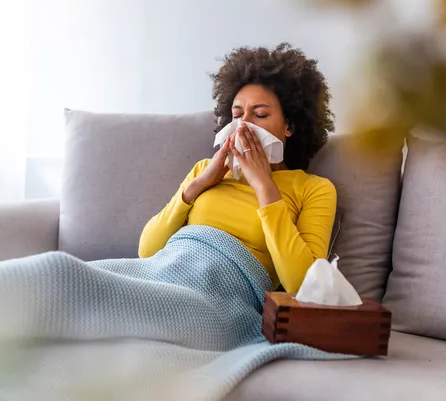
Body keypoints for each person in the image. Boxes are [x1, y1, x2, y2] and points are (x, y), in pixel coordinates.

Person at [138, 44, 337, 294]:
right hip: (165, 275)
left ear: (291, 126)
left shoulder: (313, 189)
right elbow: (147, 251)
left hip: (223, 297)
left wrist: (265, 187)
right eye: (237, 114)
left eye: (260, 115)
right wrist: (198, 185)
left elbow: (304, 285)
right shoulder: (205, 170)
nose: (243, 125)